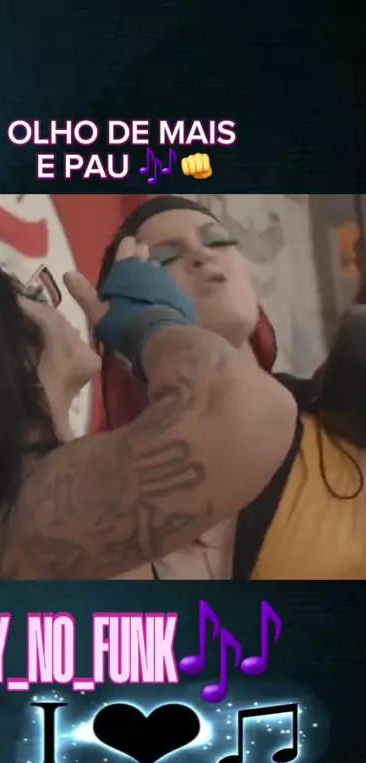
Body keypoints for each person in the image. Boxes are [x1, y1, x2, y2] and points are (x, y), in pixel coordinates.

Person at [0, 242, 296, 579]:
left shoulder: (7, 514)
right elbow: (251, 413)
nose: (54, 305)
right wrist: (152, 323)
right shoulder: (13, 516)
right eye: (31, 294)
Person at [96, 196, 366, 580]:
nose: (202, 255)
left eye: (218, 241)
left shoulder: (342, 411)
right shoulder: (112, 501)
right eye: (164, 258)